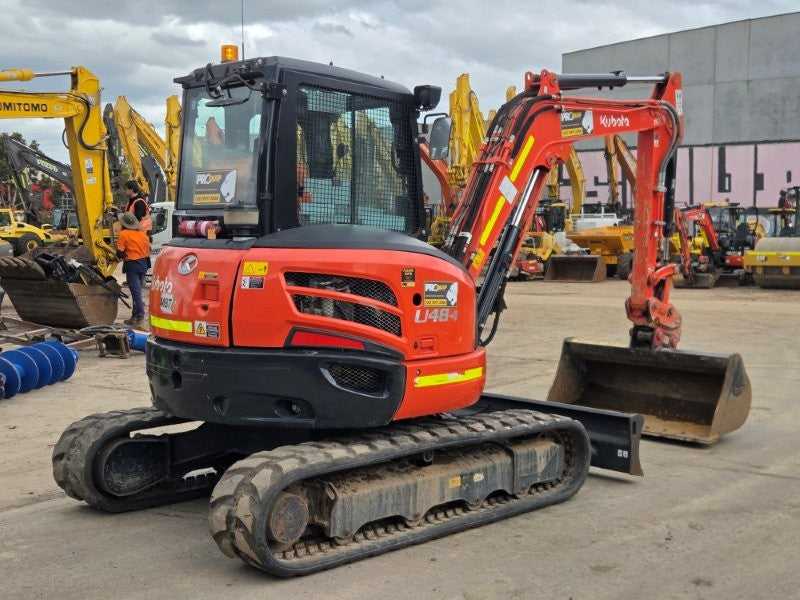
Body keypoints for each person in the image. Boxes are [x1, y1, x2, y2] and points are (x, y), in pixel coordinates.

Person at [116, 212, 151, 328]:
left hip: (132, 265)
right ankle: (134, 316)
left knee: (136, 293)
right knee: (138, 291)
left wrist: (121, 255)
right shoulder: (142, 234)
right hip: (144, 264)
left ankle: (140, 318)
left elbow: (120, 253)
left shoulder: (123, 234)